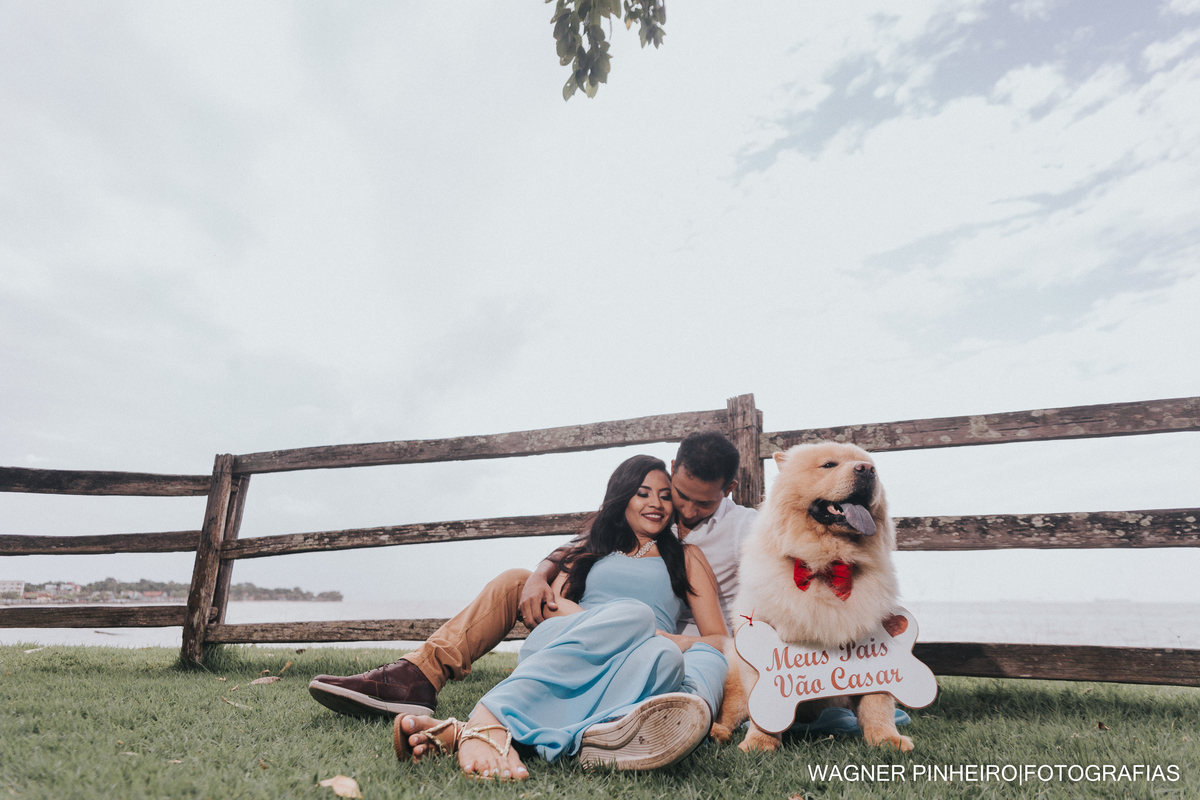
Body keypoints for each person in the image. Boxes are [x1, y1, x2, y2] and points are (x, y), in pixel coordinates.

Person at [309, 430, 755, 728]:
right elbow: (561, 566)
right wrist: (541, 575)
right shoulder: (596, 545)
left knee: (636, 624)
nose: (679, 509)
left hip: (646, 642)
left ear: (727, 490)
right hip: (575, 633)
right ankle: (416, 675)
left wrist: (651, 634)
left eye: (692, 502)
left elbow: (721, 637)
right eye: (654, 494)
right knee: (514, 578)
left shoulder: (705, 546)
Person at [392, 455, 729, 779]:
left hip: (645, 661)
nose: (656, 503)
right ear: (622, 497)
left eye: (665, 496)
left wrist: (665, 640)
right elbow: (554, 604)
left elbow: (719, 639)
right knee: (637, 615)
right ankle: (489, 715)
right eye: (643, 493)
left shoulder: (686, 556)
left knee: (680, 659)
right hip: (571, 648)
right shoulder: (589, 549)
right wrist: (628, 626)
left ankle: (605, 731)